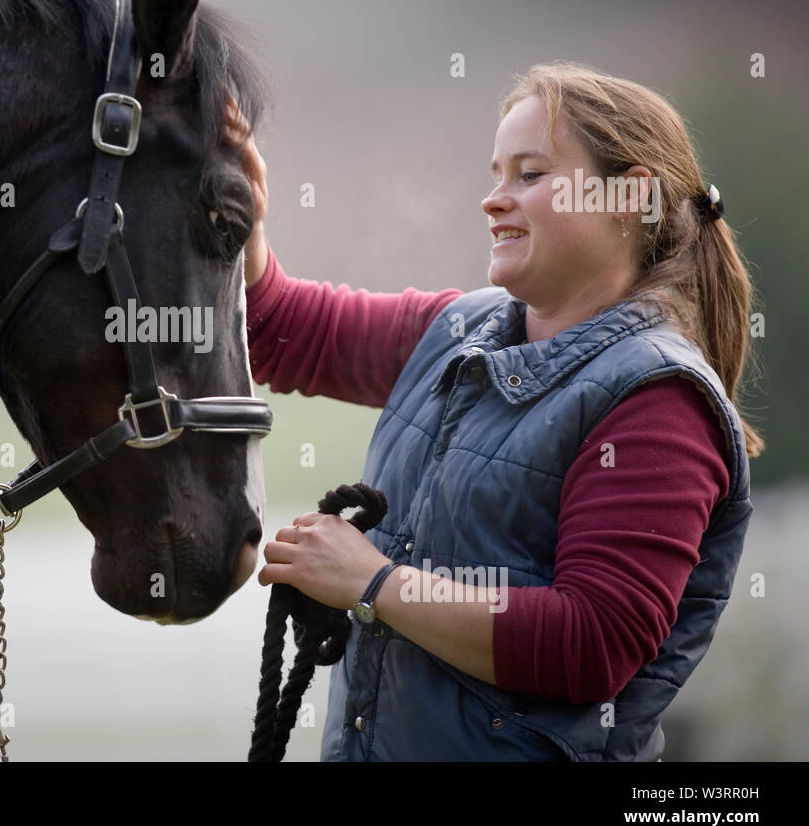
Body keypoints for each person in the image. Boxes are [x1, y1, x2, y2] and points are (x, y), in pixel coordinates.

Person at [223, 62, 761, 761]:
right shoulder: (457, 327)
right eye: (496, 173)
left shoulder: (658, 398)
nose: (493, 200)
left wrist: (373, 582)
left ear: (630, 199)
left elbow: (592, 644)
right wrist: (244, 220)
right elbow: (284, 329)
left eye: (530, 176)